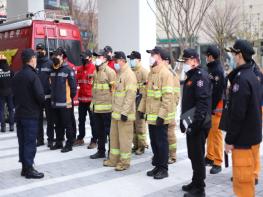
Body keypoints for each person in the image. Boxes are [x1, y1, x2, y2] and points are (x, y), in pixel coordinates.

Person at [224, 40, 262, 197]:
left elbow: (238, 115)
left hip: (243, 141)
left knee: (243, 184)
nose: (232, 56)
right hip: (252, 138)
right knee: (248, 182)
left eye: (233, 53)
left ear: (239, 55)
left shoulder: (241, 78)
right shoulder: (252, 75)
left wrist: (229, 140)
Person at [179, 48, 212, 197]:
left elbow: (202, 104)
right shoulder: (191, 76)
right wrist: (183, 121)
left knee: (198, 156)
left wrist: (195, 125)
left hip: (198, 124)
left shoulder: (200, 77)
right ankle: (195, 181)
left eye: (186, 61)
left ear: (194, 61)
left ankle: (200, 189)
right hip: (191, 122)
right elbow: (188, 103)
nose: (184, 64)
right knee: (193, 154)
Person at [138, 46, 174, 180]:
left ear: (159, 56)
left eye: (152, 54)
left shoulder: (166, 74)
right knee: (154, 142)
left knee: (161, 143)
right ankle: (157, 166)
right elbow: (146, 95)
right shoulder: (151, 73)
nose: (150, 57)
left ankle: (164, 169)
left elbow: (167, 97)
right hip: (151, 116)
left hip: (160, 117)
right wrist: (141, 110)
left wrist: (161, 115)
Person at [12, 48, 45, 179]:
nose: (36, 60)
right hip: (31, 115)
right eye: (35, 58)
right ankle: (29, 168)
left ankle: (24, 168)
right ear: (32, 59)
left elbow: (13, 96)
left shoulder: (17, 75)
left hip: (19, 114)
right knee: (30, 142)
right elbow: (40, 96)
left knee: (22, 141)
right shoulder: (33, 76)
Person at [103, 51, 137, 171]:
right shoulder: (119, 73)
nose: (115, 64)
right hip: (116, 113)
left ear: (122, 60)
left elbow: (130, 95)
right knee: (114, 139)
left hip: (124, 115)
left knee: (124, 141)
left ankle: (124, 162)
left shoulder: (129, 75)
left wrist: (124, 112)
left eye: (116, 61)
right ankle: (113, 160)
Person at [90, 49, 116, 159]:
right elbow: (94, 89)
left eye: (99, 57)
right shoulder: (96, 72)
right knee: (99, 132)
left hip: (107, 109)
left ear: (105, 59)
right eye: (96, 57)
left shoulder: (110, 72)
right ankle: (101, 151)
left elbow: (114, 91)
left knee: (109, 132)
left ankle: (111, 153)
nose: (96, 59)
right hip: (97, 108)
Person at [49, 48, 77, 153]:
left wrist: (69, 98)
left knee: (67, 124)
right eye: (53, 55)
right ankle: (59, 142)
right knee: (58, 124)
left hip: (65, 103)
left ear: (61, 57)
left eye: (56, 55)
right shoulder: (52, 69)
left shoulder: (68, 70)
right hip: (55, 103)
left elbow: (73, 88)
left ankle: (69, 144)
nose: (54, 57)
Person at [204, 46, 225, 174]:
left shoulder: (217, 70)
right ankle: (210, 156)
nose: (206, 58)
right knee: (210, 132)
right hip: (211, 105)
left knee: (216, 134)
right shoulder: (211, 68)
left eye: (207, 55)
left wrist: (211, 107)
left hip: (217, 106)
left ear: (211, 56)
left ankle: (218, 162)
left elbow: (217, 91)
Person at [127, 51, 149, 155]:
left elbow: (147, 88)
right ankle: (135, 145)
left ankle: (142, 146)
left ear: (139, 60)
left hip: (140, 102)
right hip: (132, 102)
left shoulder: (144, 72)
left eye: (133, 59)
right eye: (130, 59)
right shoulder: (130, 72)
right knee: (132, 126)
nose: (131, 61)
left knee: (140, 126)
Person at [74, 50, 96, 147]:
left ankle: (94, 140)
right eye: (82, 57)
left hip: (91, 100)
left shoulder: (94, 68)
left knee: (93, 121)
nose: (83, 58)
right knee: (81, 120)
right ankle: (80, 138)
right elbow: (76, 81)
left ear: (90, 58)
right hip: (82, 99)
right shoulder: (80, 69)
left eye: (85, 57)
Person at [162, 50, 180, 164]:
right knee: (163, 133)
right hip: (163, 107)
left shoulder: (172, 74)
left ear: (166, 61)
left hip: (170, 108)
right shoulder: (162, 72)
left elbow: (177, 93)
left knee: (170, 132)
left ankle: (172, 155)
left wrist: (173, 105)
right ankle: (164, 153)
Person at [35, 43, 54, 147]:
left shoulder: (50, 63)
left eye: (41, 49)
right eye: (37, 49)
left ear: (45, 51)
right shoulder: (35, 64)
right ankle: (40, 139)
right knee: (38, 120)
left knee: (50, 120)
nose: (39, 51)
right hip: (37, 97)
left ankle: (50, 139)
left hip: (47, 96)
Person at [0, 54, 14, 133]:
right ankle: (11, 126)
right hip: (10, 92)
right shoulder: (10, 69)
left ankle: (3, 127)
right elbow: (14, 80)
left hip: (1, 93)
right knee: (11, 109)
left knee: (1, 110)